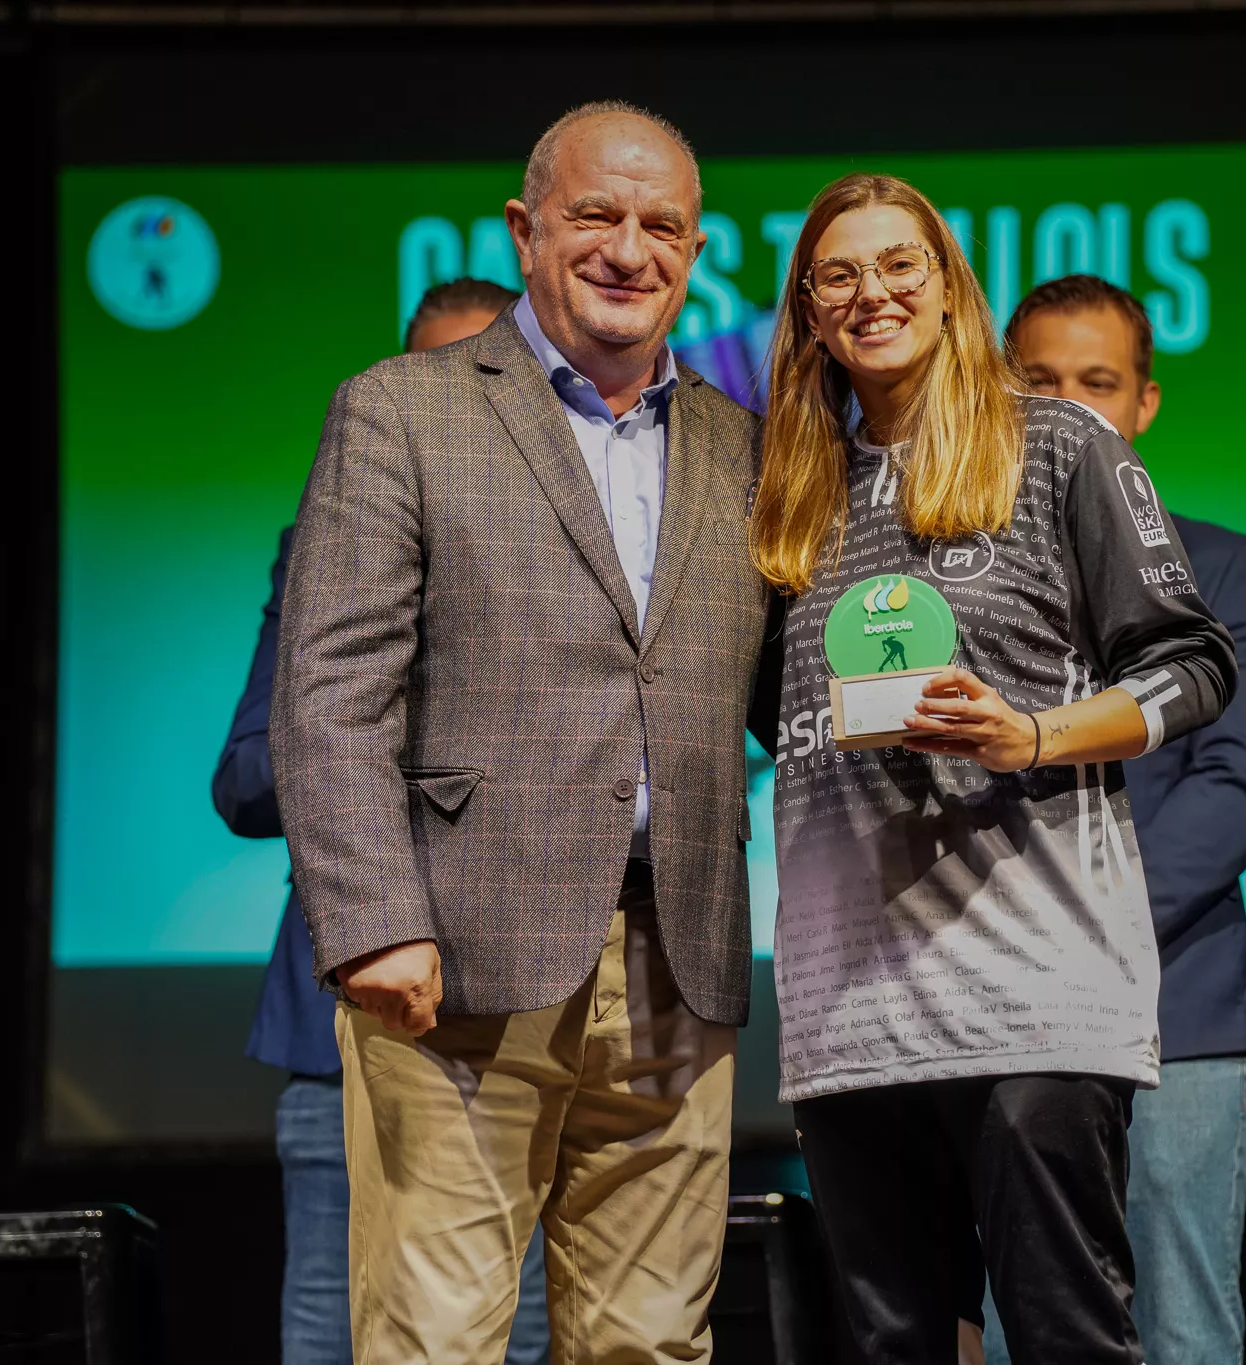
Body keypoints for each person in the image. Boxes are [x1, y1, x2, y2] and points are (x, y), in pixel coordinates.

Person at [271, 102, 773, 1365]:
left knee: (650, 1347)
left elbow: (780, 693)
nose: (627, 248)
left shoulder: (741, 445)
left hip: (679, 960)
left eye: (660, 224)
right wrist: (373, 917)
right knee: (435, 1340)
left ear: (697, 247)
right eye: (595, 214)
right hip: (454, 962)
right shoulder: (402, 410)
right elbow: (331, 688)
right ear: (525, 228)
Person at [750, 173, 1237, 1365]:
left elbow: (1192, 666)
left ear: (949, 285)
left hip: (1035, 993)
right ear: (807, 308)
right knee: (893, 1346)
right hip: (847, 1007)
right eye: (838, 273)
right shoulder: (781, 488)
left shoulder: (1059, 444)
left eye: (899, 264)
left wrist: (1027, 735)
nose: (872, 293)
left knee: (1067, 1337)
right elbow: (775, 713)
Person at [211, 278, 544, 1365]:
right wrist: (390, 719)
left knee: (525, 1336)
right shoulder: (325, 543)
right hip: (337, 1032)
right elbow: (250, 783)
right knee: (331, 1334)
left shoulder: (590, 563)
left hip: (532, 1022)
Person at [1006, 274, 1246, 1365]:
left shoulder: (1219, 565)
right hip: (1008, 1014)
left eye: (1097, 382)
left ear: (1143, 405)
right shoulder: (964, 571)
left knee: (1179, 1332)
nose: (1072, 406)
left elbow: (1237, 783)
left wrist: (1087, 925)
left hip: (1178, 1011)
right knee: (1016, 1328)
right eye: (1041, 382)